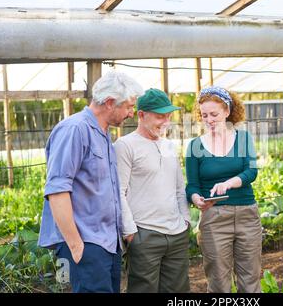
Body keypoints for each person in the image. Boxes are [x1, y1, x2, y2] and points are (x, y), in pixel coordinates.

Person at [38, 71, 144, 293]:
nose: (131, 113)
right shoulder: (75, 130)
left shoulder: (103, 134)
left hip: (106, 242)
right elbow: (57, 191)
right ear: (109, 103)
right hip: (86, 243)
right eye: (128, 107)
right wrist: (77, 246)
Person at [114, 88, 191, 293]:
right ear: (141, 115)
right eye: (159, 116)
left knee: (178, 292)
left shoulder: (169, 145)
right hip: (144, 234)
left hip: (177, 233)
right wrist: (131, 233)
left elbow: (178, 187)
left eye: (168, 116)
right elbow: (118, 192)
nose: (165, 121)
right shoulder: (124, 145)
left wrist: (186, 220)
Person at [185, 86, 261, 293]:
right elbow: (192, 185)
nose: (209, 120)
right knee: (218, 281)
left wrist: (229, 183)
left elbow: (251, 172)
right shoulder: (194, 146)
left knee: (251, 278)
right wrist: (196, 198)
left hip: (247, 214)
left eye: (214, 114)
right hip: (214, 218)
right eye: (204, 115)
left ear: (227, 111)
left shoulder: (243, 138)